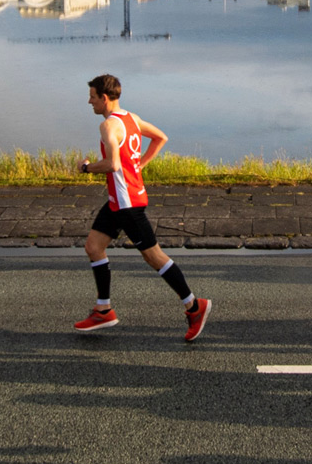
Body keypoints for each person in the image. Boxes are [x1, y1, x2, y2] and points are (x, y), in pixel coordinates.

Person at [71, 76, 209, 342]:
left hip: (127, 205)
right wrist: (141, 165)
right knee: (93, 246)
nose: (89, 101)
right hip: (118, 201)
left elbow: (112, 164)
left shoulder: (108, 126)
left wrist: (86, 168)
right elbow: (160, 138)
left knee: (154, 256)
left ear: (104, 98)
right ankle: (103, 309)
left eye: (92, 96)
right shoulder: (131, 118)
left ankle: (194, 306)